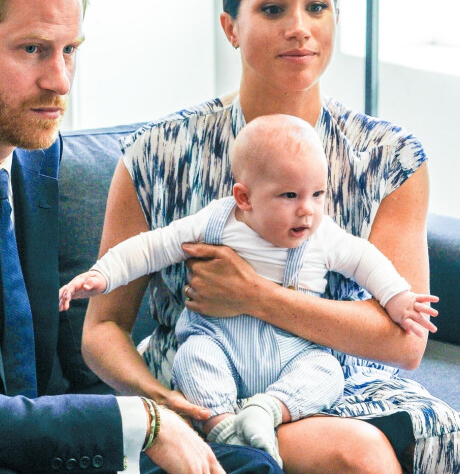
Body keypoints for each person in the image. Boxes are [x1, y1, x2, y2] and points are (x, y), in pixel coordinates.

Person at [0, 0, 283, 474]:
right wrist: (137, 423)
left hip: (36, 448)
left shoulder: (32, 152)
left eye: (70, 49)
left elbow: (44, 381)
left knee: (249, 468)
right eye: (33, 50)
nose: (61, 81)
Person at [81, 0, 460, 474]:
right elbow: (102, 330)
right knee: (359, 457)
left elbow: (404, 344)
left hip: (337, 382)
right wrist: (161, 407)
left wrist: (253, 294)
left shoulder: (388, 157)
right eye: (273, 8)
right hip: (201, 384)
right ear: (230, 27)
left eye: (317, 6)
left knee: (403, 441)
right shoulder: (156, 153)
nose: (300, 27)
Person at [60, 113, 439, 468]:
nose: (307, 210)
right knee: (193, 358)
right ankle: (221, 424)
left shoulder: (322, 236)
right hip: (220, 340)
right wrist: (102, 275)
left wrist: (398, 298)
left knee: (325, 370)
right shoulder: (217, 222)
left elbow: (366, 261)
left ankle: (268, 408)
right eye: (289, 196)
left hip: (293, 349)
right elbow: (151, 246)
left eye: (318, 194)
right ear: (244, 198)